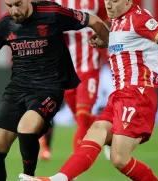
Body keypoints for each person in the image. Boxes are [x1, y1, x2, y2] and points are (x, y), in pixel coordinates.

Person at [19, 0, 158, 180]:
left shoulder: (138, 19)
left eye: (114, 1)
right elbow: (124, 39)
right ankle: (57, 179)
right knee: (95, 131)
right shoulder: (117, 20)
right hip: (119, 96)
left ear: (128, 1)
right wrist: (104, 39)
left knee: (119, 158)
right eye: (107, 0)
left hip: (137, 96)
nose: (108, 5)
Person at [0, 0, 110, 180]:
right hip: (17, 88)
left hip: (49, 87)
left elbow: (92, 19)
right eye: (9, 6)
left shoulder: (52, 12)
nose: (14, 10)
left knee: (26, 127)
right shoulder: (3, 24)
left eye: (18, 4)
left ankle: (28, 177)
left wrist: (106, 42)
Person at [38, 0, 110, 161]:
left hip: (90, 66)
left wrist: (104, 37)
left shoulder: (97, 2)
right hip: (65, 69)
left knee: (83, 117)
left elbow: (109, 21)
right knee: (79, 117)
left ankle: (72, 172)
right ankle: (109, 133)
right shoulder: (55, 3)